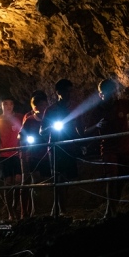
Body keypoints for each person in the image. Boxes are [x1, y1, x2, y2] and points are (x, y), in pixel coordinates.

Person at [84, 79, 129, 217]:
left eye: (111, 92)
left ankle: (114, 205)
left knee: (123, 178)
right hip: (109, 148)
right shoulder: (97, 111)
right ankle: (110, 210)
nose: (109, 96)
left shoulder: (120, 104)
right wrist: (96, 126)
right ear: (100, 94)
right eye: (106, 93)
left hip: (124, 147)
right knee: (111, 178)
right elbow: (85, 131)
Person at [40, 79, 84, 216]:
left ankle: (57, 208)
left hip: (70, 147)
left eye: (71, 91)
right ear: (59, 92)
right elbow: (42, 131)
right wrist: (51, 127)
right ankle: (62, 211)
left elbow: (79, 128)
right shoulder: (51, 110)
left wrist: (82, 142)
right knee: (59, 179)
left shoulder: (74, 107)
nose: (69, 94)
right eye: (66, 91)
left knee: (67, 180)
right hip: (56, 148)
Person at [19, 91, 51, 219]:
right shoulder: (29, 120)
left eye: (45, 105)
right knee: (33, 181)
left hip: (46, 154)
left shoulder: (49, 119)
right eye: (41, 106)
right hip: (32, 155)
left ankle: (44, 210)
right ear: (35, 107)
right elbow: (21, 135)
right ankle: (31, 211)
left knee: (47, 182)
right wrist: (25, 148)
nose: (44, 108)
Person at [0, 96, 24, 220]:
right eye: (5, 104)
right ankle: (10, 211)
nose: (8, 106)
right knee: (8, 182)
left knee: (17, 181)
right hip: (4, 155)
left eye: (10, 104)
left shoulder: (20, 117)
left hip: (17, 154)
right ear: (0, 105)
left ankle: (16, 206)